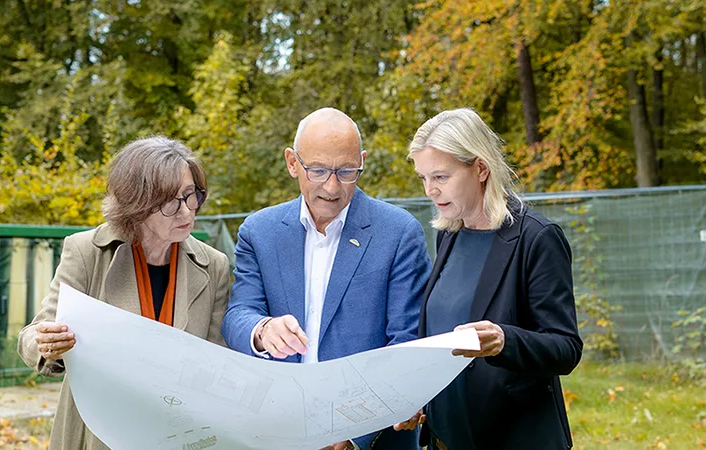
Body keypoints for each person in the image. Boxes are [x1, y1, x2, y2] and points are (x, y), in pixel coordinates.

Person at [221, 107, 430, 450]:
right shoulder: (259, 232)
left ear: (362, 162)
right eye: (317, 170)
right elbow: (238, 315)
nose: (332, 187)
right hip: (280, 432)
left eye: (347, 172)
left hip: (372, 438)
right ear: (292, 163)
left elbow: (406, 344)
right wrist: (263, 329)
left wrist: (352, 430)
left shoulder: (399, 233)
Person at [17, 136, 230, 450]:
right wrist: (47, 343)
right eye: (171, 202)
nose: (187, 212)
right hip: (98, 434)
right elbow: (33, 336)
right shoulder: (86, 251)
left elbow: (217, 360)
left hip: (178, 433)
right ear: (137, 205)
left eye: (191, 196)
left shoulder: (214, 265)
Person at [394, 108, 583, 449]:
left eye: (441, 177)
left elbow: (565, 347)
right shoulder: (449, 234)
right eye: (423, 178)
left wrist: (504, 341)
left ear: (481, 169)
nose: (430, 190)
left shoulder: (537, 238)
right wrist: (422, 398)